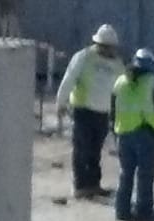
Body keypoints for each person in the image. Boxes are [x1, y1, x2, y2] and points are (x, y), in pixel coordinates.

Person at [54, 25, 126, 200]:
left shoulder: (117, 64)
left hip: (103, 113)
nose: (109, 50)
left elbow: (122, 88)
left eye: (111, 47)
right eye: (106, 46)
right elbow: (69, 79)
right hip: (83, 110)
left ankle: (93, 184)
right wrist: (60, 102)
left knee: (95, 150)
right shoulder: (84, 57)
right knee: (81, 149)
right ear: (99, 44)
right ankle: (80, 185)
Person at [112, 49, 154, 221]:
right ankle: (144, 212)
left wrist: (113, 130)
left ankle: (122, 211)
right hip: (145, 134)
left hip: (123, 134)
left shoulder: (120, 82)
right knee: (145, 175)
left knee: (125, 173)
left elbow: (113, 109)